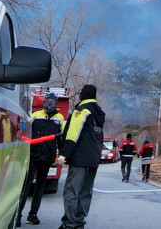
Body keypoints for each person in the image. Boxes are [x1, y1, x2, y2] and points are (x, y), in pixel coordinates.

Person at [58, 85, 105, 229]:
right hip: (94, 159)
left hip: (80, 158)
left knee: (72, 191)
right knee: (85, 192)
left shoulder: (81, 111)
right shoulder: (98, 113)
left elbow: (73, 134)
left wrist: (64, 153)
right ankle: (79, 222)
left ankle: (68, 224)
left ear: (82, 95)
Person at [17, 92, 65, 227]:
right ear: (43, 101)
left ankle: (32, 215)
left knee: (40, 187)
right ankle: (18, 215)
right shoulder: (36, 115)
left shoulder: (59, 118)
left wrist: (62, 154)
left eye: (51, 100)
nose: (48, 103)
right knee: (26, 186)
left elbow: (60, 138)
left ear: (55, 102)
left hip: (47, 157)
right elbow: (25, 130)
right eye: (47, 100)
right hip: (32, 155)